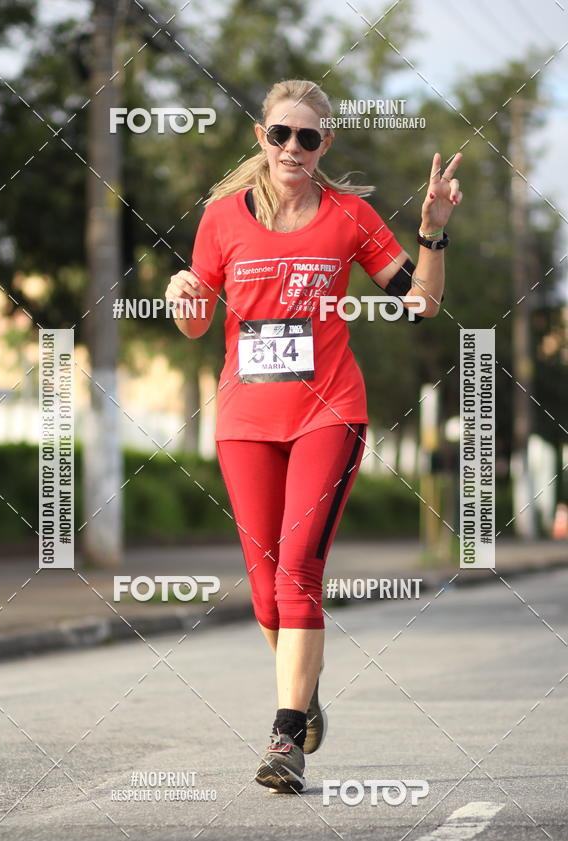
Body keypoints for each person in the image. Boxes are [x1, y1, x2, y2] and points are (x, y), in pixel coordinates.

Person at [165, 79, 462, 793]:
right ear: (261, 138)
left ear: (324, 144)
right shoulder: (222, 219)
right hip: (244, 422)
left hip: (328, 413)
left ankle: (286, 735)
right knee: (267, 594)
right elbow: (198, 324)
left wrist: (432, 229)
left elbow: (420, 304)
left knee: (299, 567)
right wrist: (182, 295)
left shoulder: (349, 215)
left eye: (307, 137)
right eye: (280, 135)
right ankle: (305, 688)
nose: (292, 148)